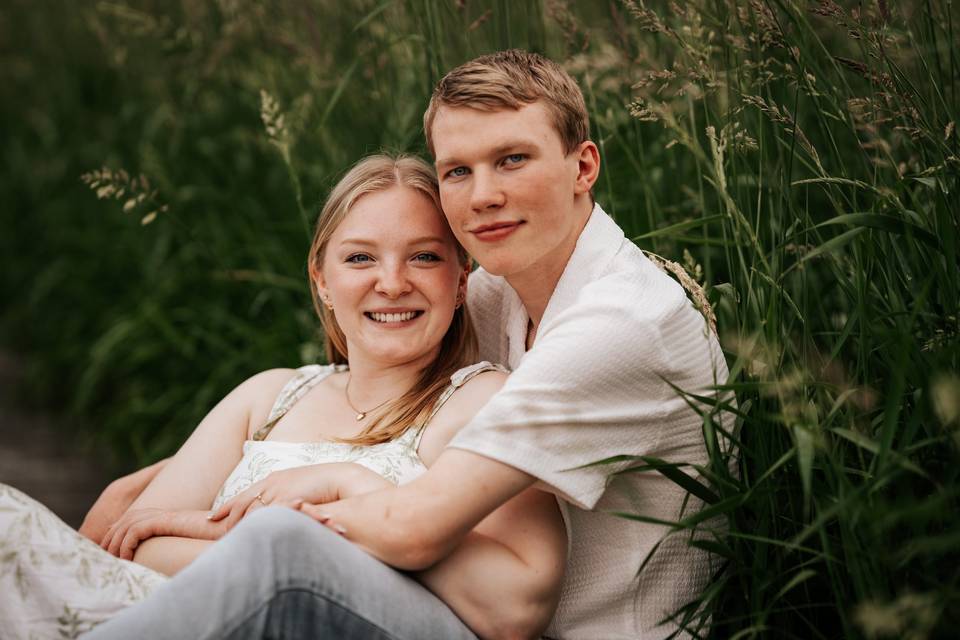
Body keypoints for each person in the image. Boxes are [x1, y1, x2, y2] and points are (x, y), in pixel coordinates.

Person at [87, 50, 731, 639]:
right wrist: (166, 480)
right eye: (457, 170)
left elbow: (412, 528)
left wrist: (315, 485)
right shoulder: (500, 287)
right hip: (451, 611)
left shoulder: (616, 325)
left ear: (582, 166)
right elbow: (379, 356)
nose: (484, 196)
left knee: (282, 552)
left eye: (512, 159)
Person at [0, 154, 566, 640]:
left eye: (424, 256)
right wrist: (238, 544)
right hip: (221, 619)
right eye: (360, 257)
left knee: (283, 541)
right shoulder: (271, 396)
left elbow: (516, 609)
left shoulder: (480, 399)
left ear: (461, 280)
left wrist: (300, 529)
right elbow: (138, 544)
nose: (392, 282)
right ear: (321, 279)